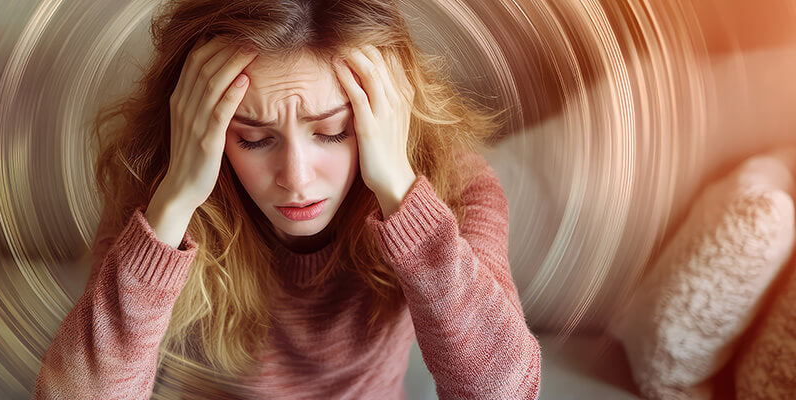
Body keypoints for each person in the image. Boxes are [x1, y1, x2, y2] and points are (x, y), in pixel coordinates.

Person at [33, 0, 541, 398]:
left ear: (388, 115)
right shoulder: (160, 193)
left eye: (334, 131)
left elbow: (504, 391)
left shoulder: (455, 187)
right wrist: (173, 205)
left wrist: (400, 195)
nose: (296, 179)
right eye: (254, 139)